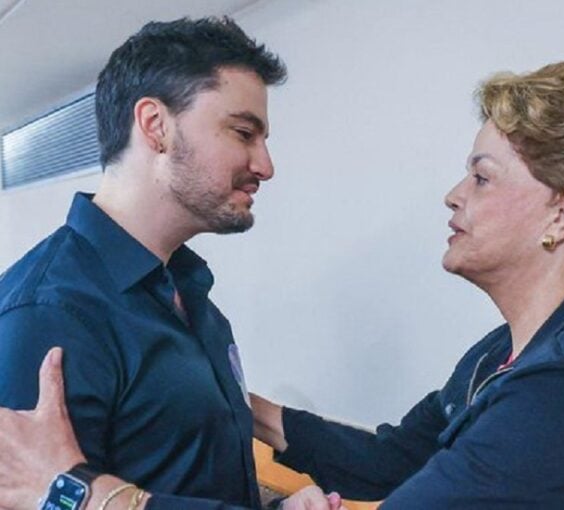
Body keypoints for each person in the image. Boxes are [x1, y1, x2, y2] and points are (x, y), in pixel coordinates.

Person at [1, 61, 564, 509]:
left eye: (482, 177)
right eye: (243, 131)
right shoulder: (504, 353)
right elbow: (396, 460)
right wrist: (232, 405)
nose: (455, 195)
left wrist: (79, 495)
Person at [0, 16, 340, 510]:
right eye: (244, 132)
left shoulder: (190, 292)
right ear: (156, 126)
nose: (266, 165)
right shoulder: (49, 313)